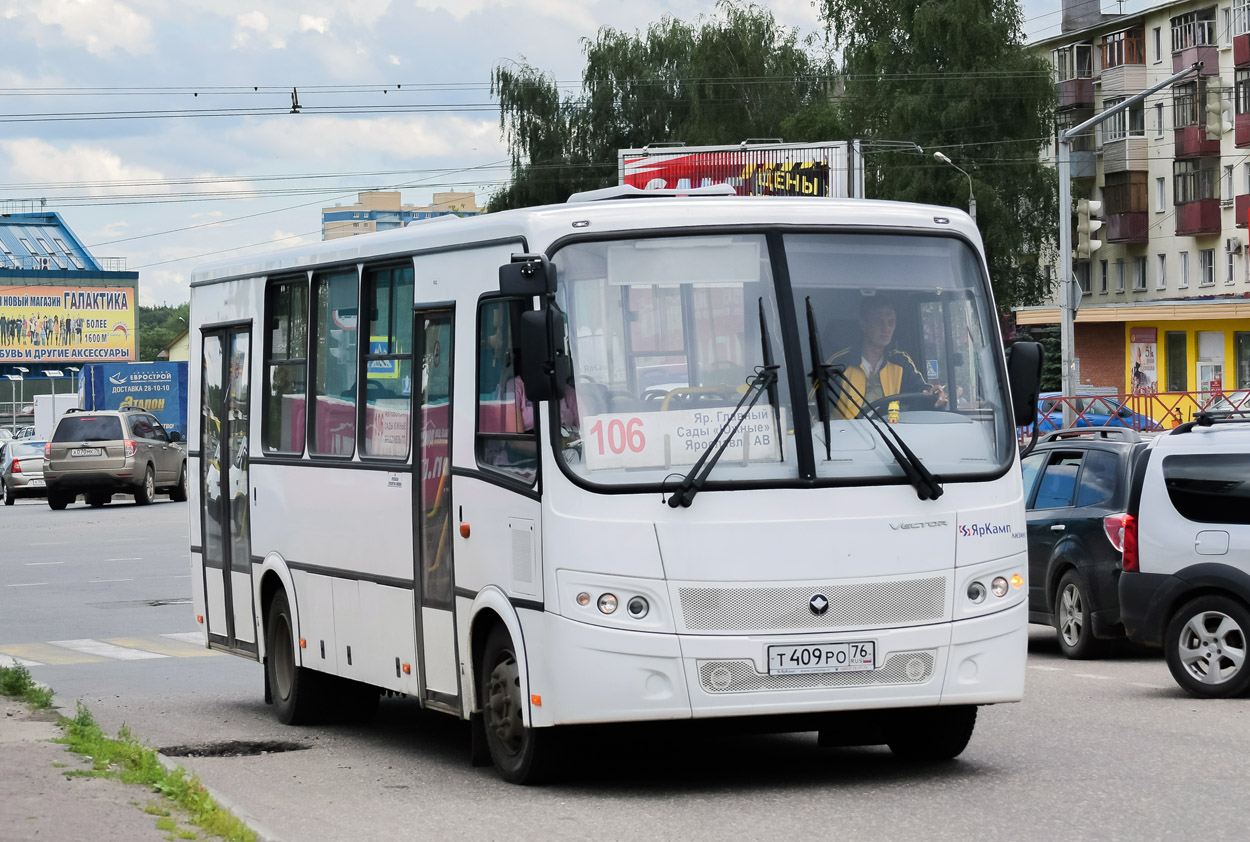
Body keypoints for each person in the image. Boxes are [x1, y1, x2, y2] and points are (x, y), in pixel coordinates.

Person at [826, 297, 946, 418]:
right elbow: (814, 404)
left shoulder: (900, 361)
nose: (886, 328)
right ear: (864, 325)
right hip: (846, 434)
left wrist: (932, 392)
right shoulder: (839, 363)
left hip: (889, 433)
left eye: (891, 322)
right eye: (879, 322)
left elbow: (919, 388)